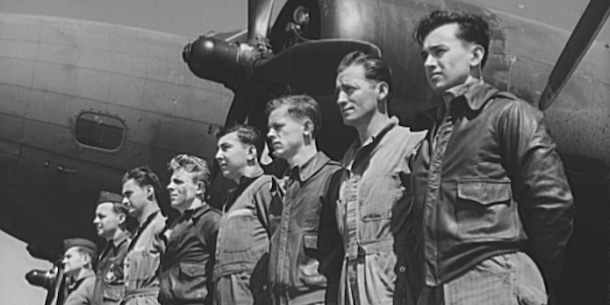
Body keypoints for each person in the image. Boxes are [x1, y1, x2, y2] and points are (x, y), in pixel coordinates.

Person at [409, 10, 575, 304]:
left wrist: (531, 274)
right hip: (434, 288)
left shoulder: (510, 115)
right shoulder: (430, 138)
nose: (429, 63)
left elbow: (552, 203)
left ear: (475, 56)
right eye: (424, 55)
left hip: (493, 280)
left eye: (439, 52)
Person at [326, 51, 426, 305]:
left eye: (349, 89)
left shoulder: (414, 146)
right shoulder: (344, 166)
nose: (340, 99)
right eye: (338, 91)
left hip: (395, 292)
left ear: (381, 91)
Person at [265, 95, 342, 305]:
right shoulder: (281, 189)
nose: (270, 134)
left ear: (307, 128)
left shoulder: (334, 178)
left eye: (278, 127)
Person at [213, 125, 282, 305]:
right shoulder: (232, 199)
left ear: (251, 152)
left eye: (226, 148)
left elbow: (281, 242)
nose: (218, 156)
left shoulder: (265, 187)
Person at [158, 154, 221, 305]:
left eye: (178, 182)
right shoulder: (175, 223)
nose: (170, 186)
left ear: (199, 188)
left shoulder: (212, 222)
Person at [121, 166, 168, 305]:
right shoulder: (138, 234)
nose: (124, 201)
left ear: (149, 191)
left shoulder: (162, 227)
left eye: (129, 194)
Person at [92, 191, 131, 305]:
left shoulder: (130, 249)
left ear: (121, 218)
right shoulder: (107, 253)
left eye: (101, 217)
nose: (95, 221)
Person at [62, 238, 98, 305]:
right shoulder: (76, 289)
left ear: (85, 259)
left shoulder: (94, 285)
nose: (64, 261)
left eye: (69, 257)